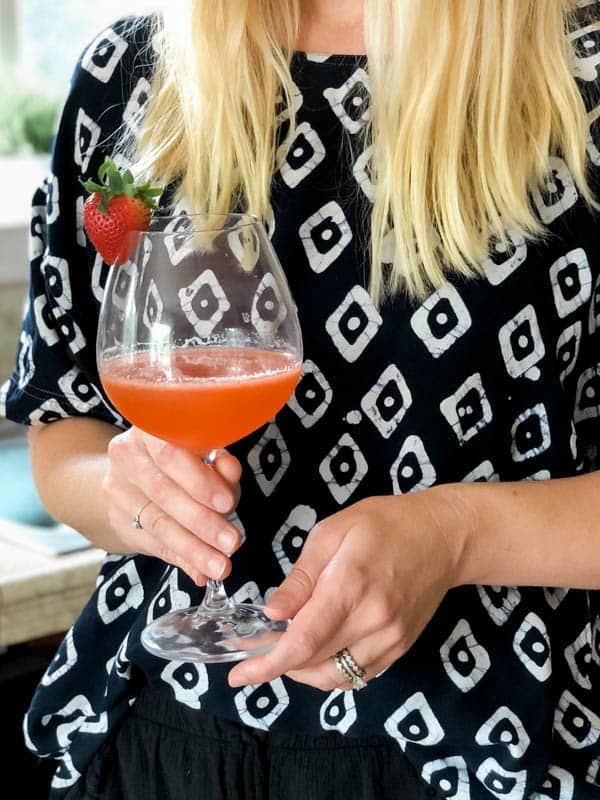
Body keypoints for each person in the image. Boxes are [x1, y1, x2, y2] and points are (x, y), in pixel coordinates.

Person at [2, 0, 600, 797]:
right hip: (160, 739)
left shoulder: (579, 76)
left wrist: (459, 535)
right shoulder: (128, 72)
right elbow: (61, 428)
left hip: (496, 752)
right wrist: (127, 497)